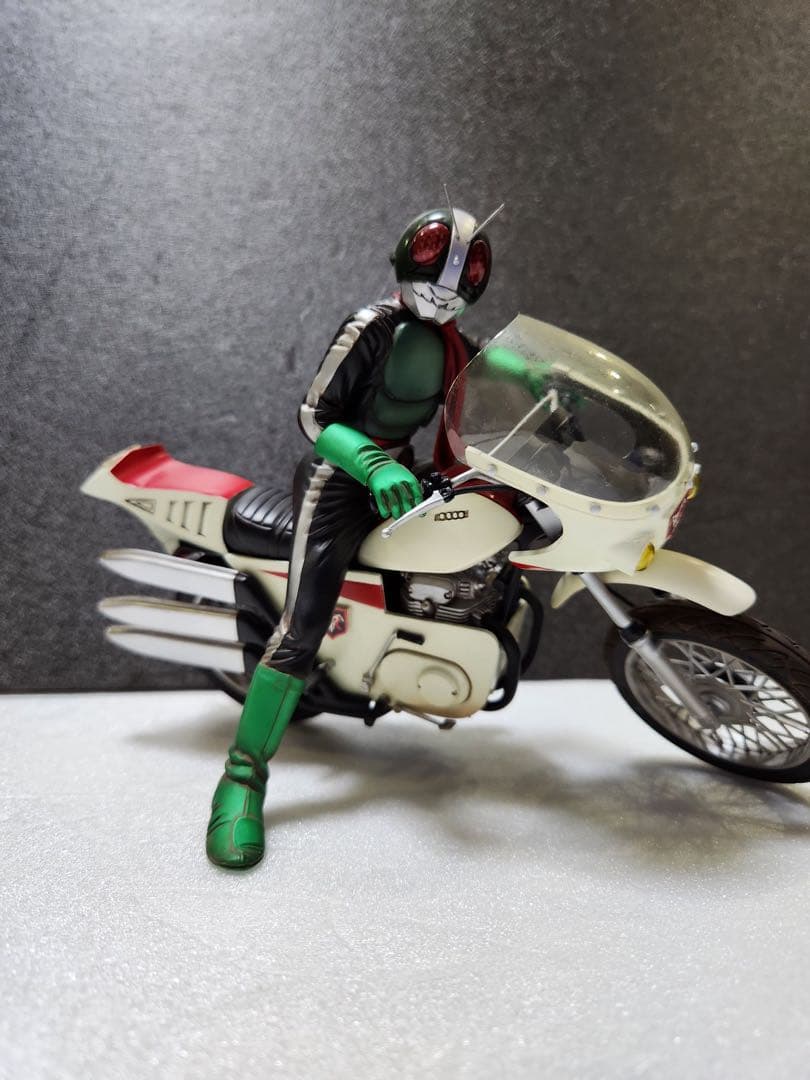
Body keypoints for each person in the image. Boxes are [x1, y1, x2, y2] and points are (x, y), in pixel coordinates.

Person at [206, 203, 501, 868]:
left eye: (462, 278)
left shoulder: (456, 344)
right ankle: (242, 777)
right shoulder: (372, 327)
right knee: (301, 628)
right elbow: (314, 415)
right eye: (433, 267)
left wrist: (553, 394)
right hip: (339, 481)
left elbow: (502, 376)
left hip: (403, 472)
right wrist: (370, 463)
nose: (444, 289)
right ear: (404, 258)